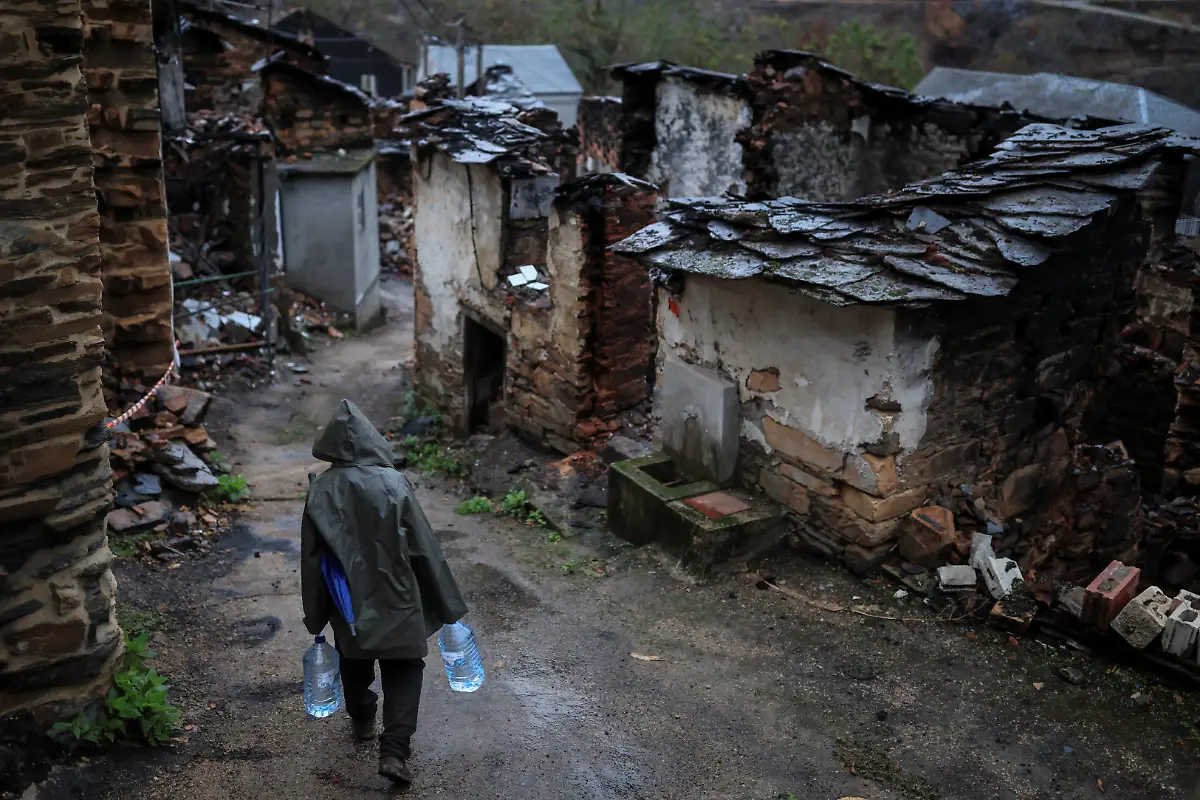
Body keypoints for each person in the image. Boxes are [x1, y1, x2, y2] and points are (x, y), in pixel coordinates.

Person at [301, 399, 467, 784]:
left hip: (348, 603)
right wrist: (446, 603)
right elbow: (425, 548)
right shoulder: (394, 484)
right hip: (399, 596)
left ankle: (361, 718)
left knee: (354, 661)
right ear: (372, 441)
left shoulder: (320, 491)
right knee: (405, 665)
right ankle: (394, 752)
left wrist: (315, 615)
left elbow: (312, 562)